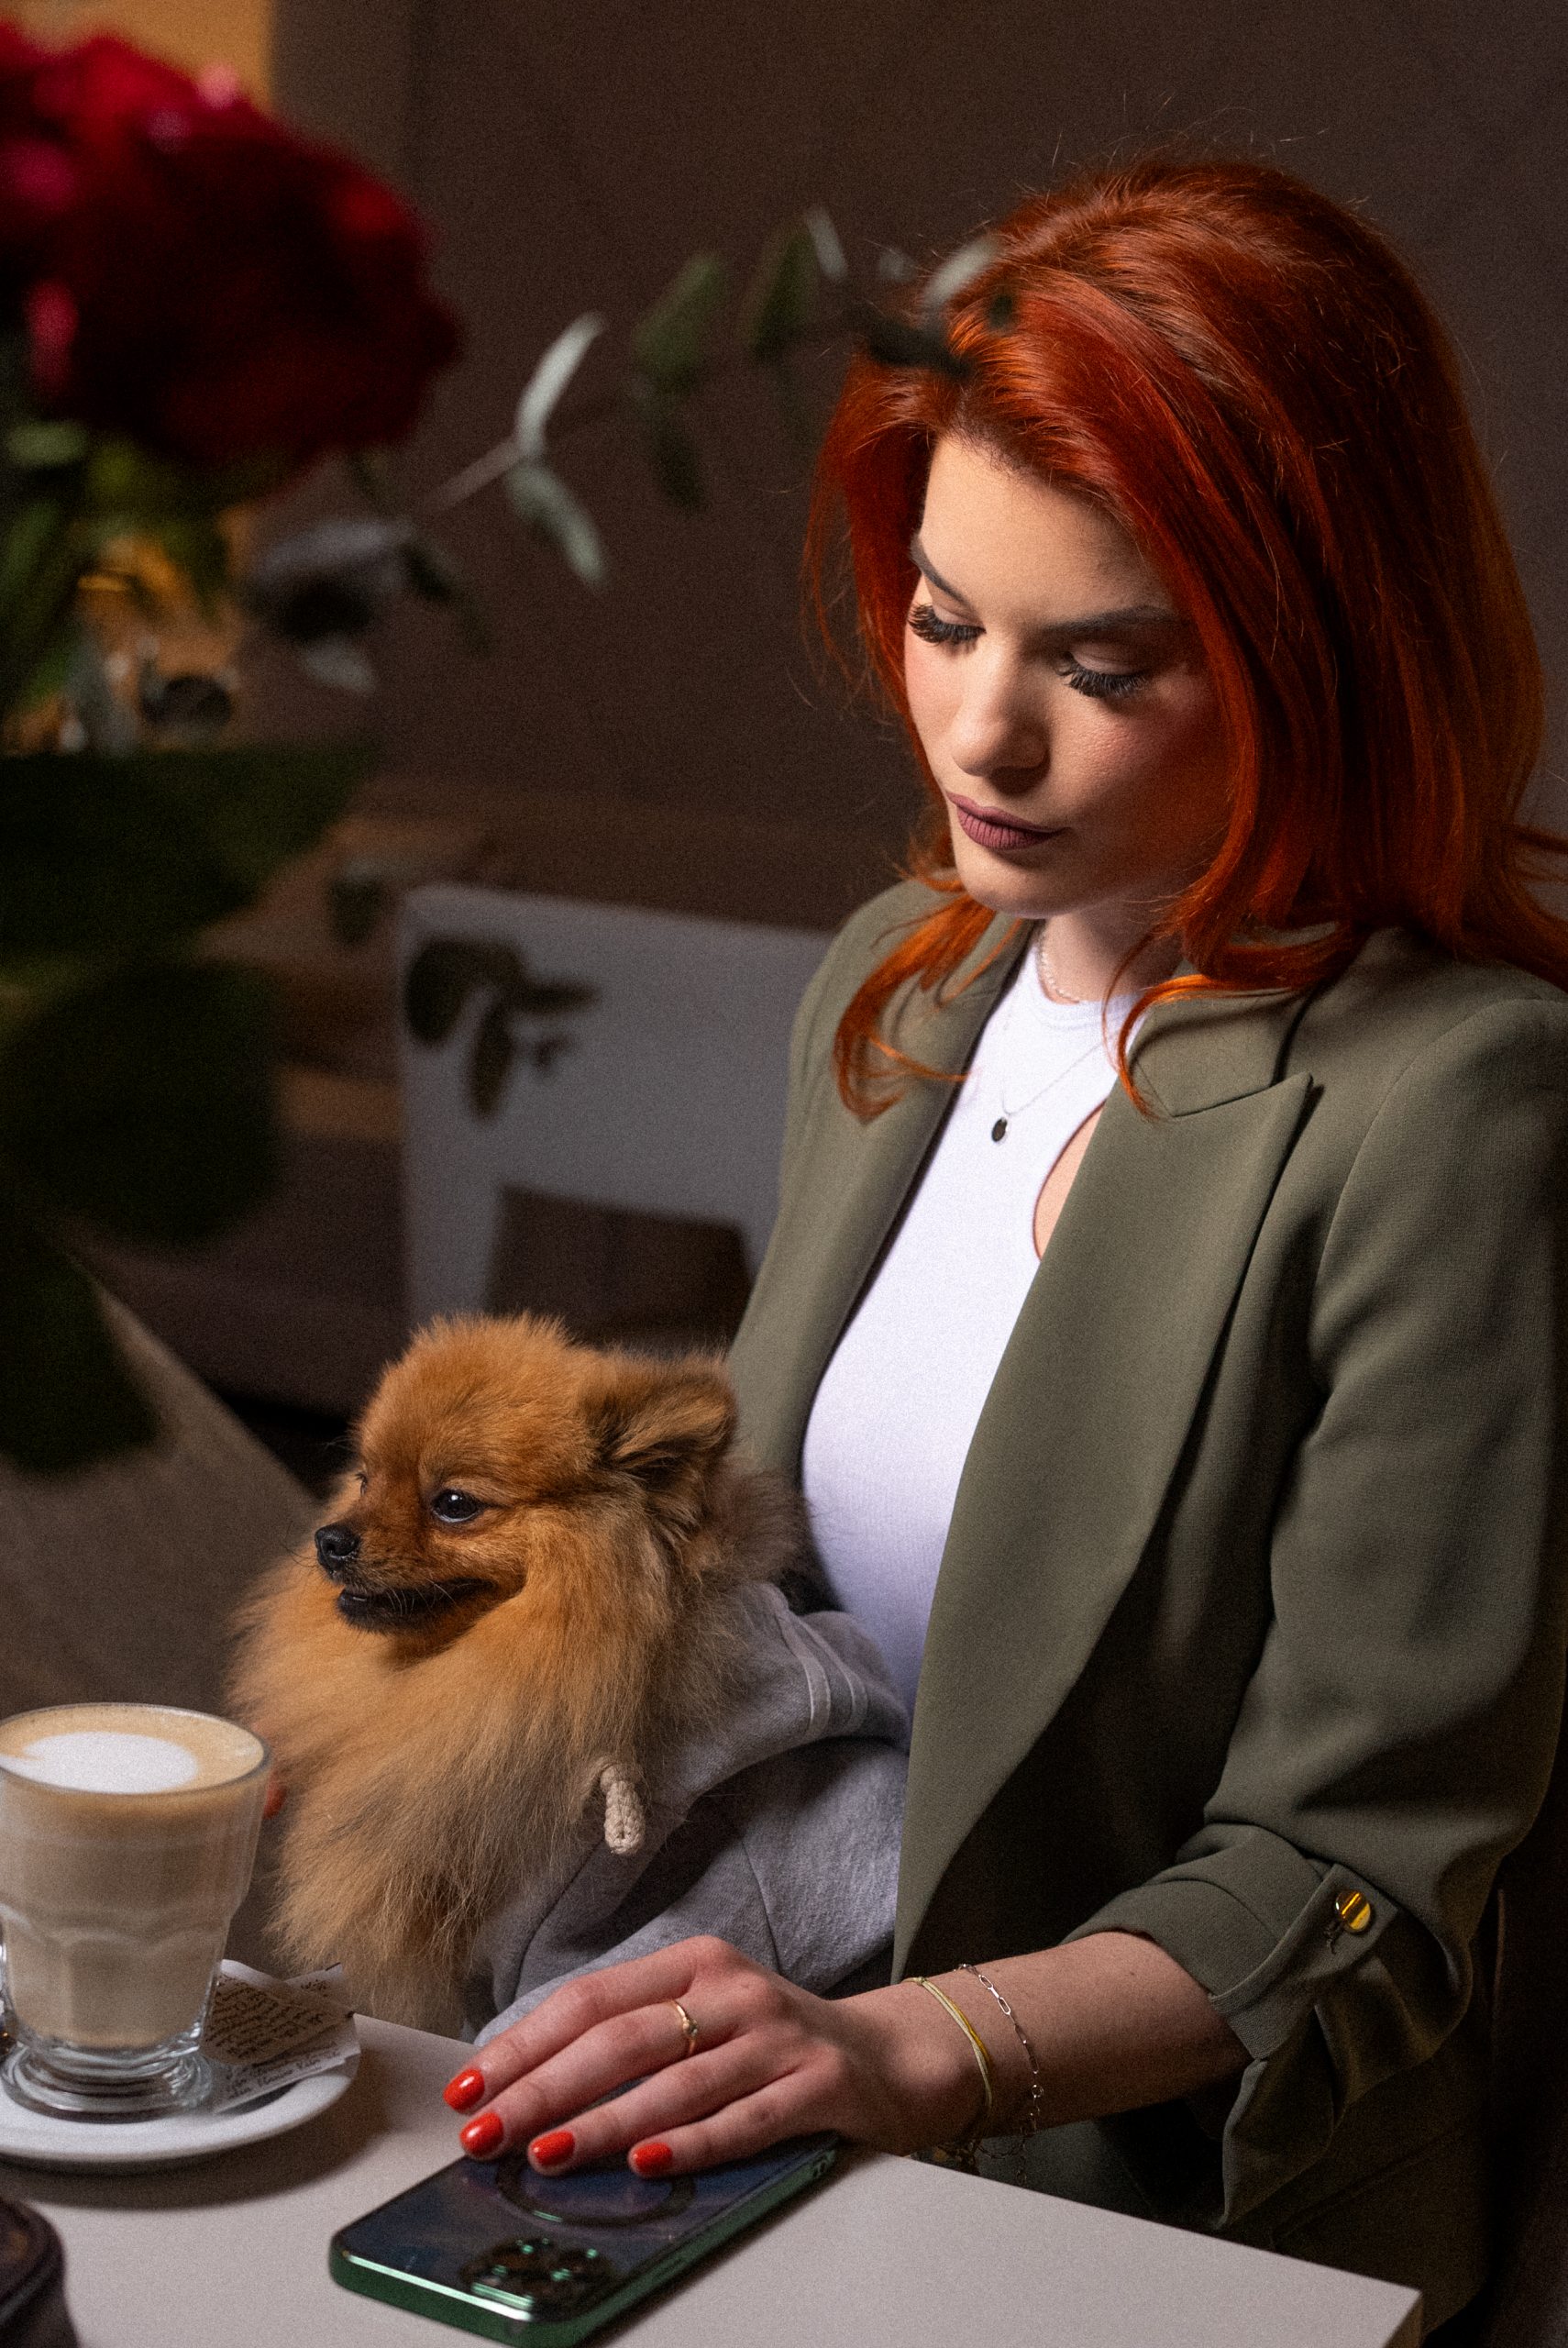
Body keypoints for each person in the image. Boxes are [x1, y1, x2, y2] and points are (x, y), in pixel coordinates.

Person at [436, 158, 1568, 2333]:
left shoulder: (1455, 1104)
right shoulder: (908, 983)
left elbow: (1362, 1870)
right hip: (788, 2093)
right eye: (947, 620)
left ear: (1322, 654)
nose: (980, 731)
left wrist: (904, 2049)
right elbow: (791, 1597)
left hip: (1165, 2205)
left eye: (1103, 661)